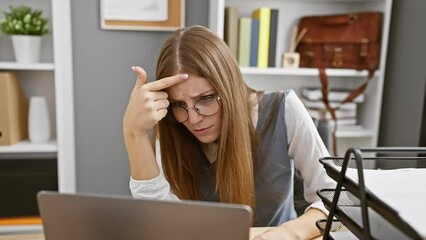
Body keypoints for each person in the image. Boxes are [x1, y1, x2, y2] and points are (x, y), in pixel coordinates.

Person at [123, 25, 335, 239]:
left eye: (205, 99)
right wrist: (134, 133)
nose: (193, 118)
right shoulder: (172, 122)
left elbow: (336, 197)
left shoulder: (284, 108)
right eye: (179, 104)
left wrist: (289, 234)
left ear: (229, 87)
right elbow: (160, 219)